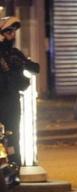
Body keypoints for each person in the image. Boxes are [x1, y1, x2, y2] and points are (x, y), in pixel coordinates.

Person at [0, 16, 39, 166]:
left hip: (11, 100)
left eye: (14, 31)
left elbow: (35, 69)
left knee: (13, 134)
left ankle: (15, 165)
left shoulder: (14, 53)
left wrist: (22, 63)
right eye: (8, 31)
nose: (13, 34)